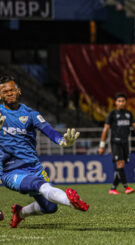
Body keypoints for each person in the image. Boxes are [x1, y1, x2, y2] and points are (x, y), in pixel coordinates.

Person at [0, 75, 89, 228]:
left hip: (34, 167)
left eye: (12, 90)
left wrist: (62, 141)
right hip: (11, 170)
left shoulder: (30, 114)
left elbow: (48, 130)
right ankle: (70, 201)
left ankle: (19, 213)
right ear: (0, 95)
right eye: (5, 91)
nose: (9, 93)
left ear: (19, 91)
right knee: (37, 184)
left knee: (50, 208)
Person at [98, 93, 135, 195]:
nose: (121, 103)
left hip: (125, 143)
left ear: (125, 102)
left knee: (121, 166)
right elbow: (105, 130)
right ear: (115, 102)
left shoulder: (128, 114)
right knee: (120, 163)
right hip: (115, 143)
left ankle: (113, 188)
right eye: (119, 101)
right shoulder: (112, 114)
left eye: (123, 101)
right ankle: (126, 187)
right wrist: (101, 146)